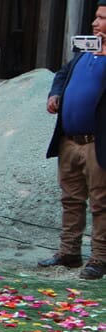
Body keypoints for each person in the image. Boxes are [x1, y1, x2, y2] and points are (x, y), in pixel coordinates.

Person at [41, 0, 106, 280]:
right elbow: (63, 74)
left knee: (101, 204)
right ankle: (69, 252)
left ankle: (100, 258)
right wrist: (55, 93)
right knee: (71, 199)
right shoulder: (85, 49)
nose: (94, 23)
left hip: (97, 143)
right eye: (95, 17)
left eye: (102, 18)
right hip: (69, 139)